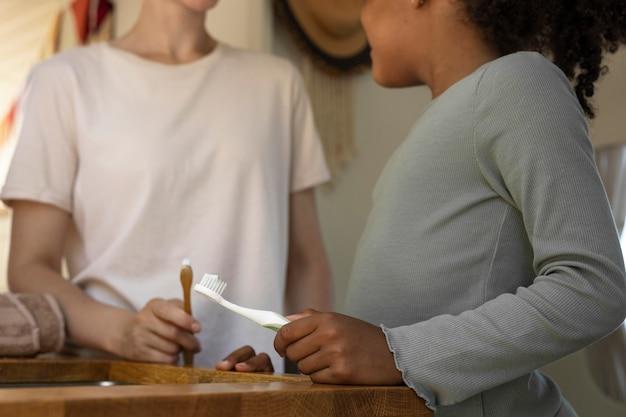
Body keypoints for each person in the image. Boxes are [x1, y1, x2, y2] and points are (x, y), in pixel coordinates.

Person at [224, 0, 626, 415]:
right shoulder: (447, 120)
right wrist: (298, 374)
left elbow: (594, 285)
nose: (362, 17)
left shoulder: (519, 83)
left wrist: (398, 353)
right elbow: (397, 356)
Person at [1, 0, 332, 370]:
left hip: (254, 386)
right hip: (114, 383)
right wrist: (123, 332)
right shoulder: (63, 81)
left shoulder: (277, 83)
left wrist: (302, 377)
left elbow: (306, 263)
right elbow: (30, 267)